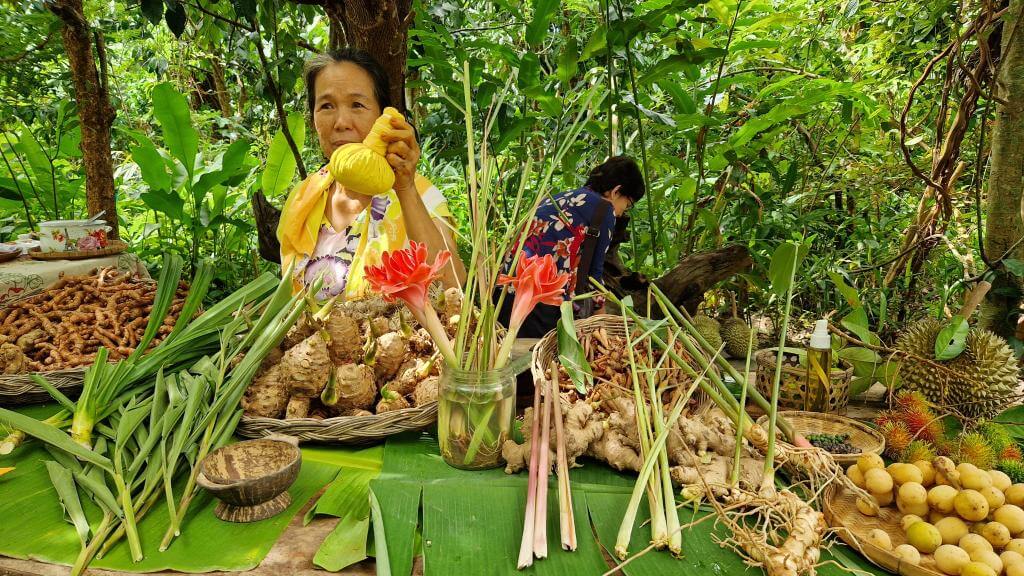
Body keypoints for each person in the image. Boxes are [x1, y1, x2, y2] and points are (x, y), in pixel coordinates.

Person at [277, 48, 465, 299]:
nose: (341, 121)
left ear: (381, 116)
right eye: (326, 106)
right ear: (313, 119)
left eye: (357, 105)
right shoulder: (303, 199)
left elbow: (453, 287)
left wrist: (405, 189)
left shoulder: (419, 193)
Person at [497, 156, 645, 338]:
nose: (622, 211)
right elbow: (594, 274)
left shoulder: (563, 197)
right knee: (537, 358)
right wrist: (602, 319)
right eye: (627, 205)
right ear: (616, 192)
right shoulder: (605, 210)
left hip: (507, 288)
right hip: (542, 299)